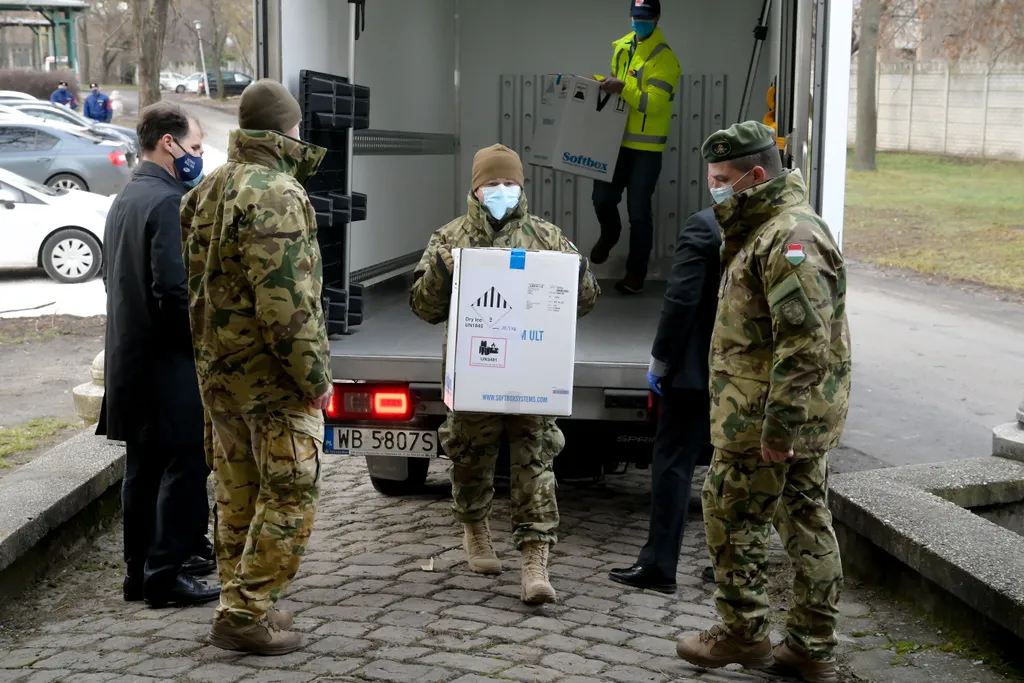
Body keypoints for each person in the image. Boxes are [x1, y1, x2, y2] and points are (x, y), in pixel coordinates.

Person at [674, 121, 851, 683]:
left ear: (756, 175)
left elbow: (804, 344)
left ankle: (745, 633)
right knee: (804, 519)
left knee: (731, 514)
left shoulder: (789, 237)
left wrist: (779, 428)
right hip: (771, 413)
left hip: (766, 420)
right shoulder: (766, 226)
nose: (717, 189)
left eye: (724, 179)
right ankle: (809, 646)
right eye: (712, 179)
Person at [180, 78, 333, 656]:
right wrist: (315, 379)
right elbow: (286, 304)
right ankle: (245, 610)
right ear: (282, 129)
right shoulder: (276, 192)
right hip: (272, 379)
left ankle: (242, 600)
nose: (301, 133)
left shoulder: (207, 188)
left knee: (238, 492)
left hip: (219, 376)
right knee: (291, 491)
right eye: (295, 125)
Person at [410, 144, 600, 604]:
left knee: (535, 462)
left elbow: (585, 302)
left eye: (509, 182)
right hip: (477, 372)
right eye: (491, 183)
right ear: (475, 188)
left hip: (531, 374)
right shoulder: (449, 238)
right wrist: (441, 271)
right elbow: (423, 306)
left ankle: (535, 562)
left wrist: (577, 275)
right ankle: (475, 529)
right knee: (471, 455)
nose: (501, 190)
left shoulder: (549, 237)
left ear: (522, 186)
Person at [96, 101, 218, 608]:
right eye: (194, 147)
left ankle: (137, 572)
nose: (198, 157)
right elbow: (173, 289)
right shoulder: (169, 202)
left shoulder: (125, 198)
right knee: (188, 464)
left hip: (130, 359)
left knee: (141, 471)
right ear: (168, 143)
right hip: (169, 364)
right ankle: (166, 574)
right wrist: (203, 343)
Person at [607, 206, 721, 594]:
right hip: (745, 375)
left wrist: (661, 360)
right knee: (737, 471)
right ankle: (730, 565)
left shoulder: (705, 225)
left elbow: (681, 299)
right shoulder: (774, 222)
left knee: (673, 463)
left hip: (694, 372)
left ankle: (659, 563)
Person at [590, 0, 681, 295]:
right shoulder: (622, 46)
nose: (637, 22)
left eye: (643, 18)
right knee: (602, 197)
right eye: (634, 17)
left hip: (645, 149)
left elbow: (651, 104)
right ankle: (610, 232)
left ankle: (635, 274)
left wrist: (622, 87)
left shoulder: (665, 60)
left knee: (638, 212)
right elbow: (617, 91)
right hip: (614, 141)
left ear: (656, 18)